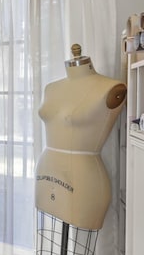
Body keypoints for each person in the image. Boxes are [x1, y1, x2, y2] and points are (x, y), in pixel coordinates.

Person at [35, 44, 126, 230]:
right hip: (45, 171)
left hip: (83, 178)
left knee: (81, 253)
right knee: (46, 251)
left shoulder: (110, 88)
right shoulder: (50, 88)